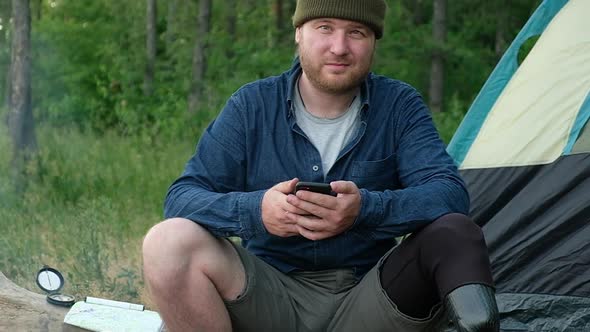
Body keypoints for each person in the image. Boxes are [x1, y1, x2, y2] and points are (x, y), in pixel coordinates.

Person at [142, 0, 500, 331]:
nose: (340, 47)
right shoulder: (251, 105)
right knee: (167, 242)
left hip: (368, 301)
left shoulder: (399, 105)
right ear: (299, 32)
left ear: (373, 40)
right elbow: (182, 198)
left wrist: (365, 209)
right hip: (267, 298)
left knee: (456, 232)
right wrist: (257, 211)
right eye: (325, 27)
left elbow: (449, 194)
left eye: (356, 32)